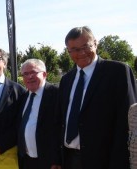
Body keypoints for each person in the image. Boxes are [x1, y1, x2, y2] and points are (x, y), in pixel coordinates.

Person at [51, 26, 137, 169]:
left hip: (104, 160)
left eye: (86, 46)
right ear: (68, 51)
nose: (82, 52)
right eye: (75, 49)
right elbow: (59, 120)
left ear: (95, 43)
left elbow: (127, 122)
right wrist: (57, 159)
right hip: (69, 160)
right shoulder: (66, 80)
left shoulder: (117, 72)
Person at [17, 59, 59, 169]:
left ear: (44, 74)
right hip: (26, 159)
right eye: (26, 74)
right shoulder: (23, 97)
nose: (29, 77)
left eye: (33, 72)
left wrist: (57, 159)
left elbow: (61, 128)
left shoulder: (57, 94)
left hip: (49, 161)